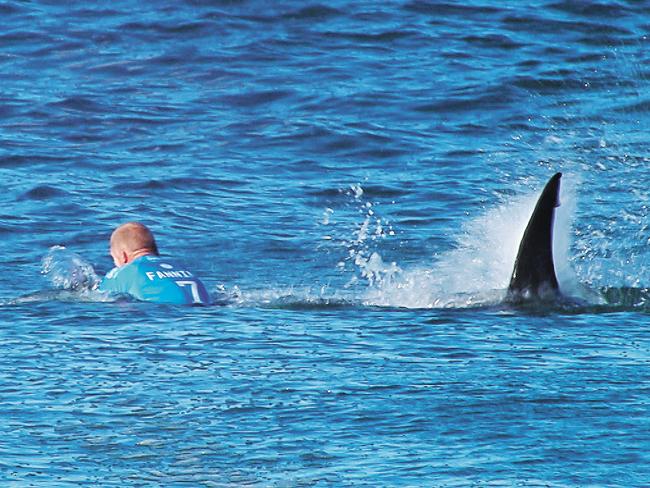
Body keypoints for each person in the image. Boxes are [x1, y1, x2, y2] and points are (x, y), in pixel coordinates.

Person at [98, 222, 210, 305]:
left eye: (114, 258)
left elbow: (98, 295)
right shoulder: (180, 267)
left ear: (123, 256)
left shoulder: (126, 271)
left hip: (166, 315)